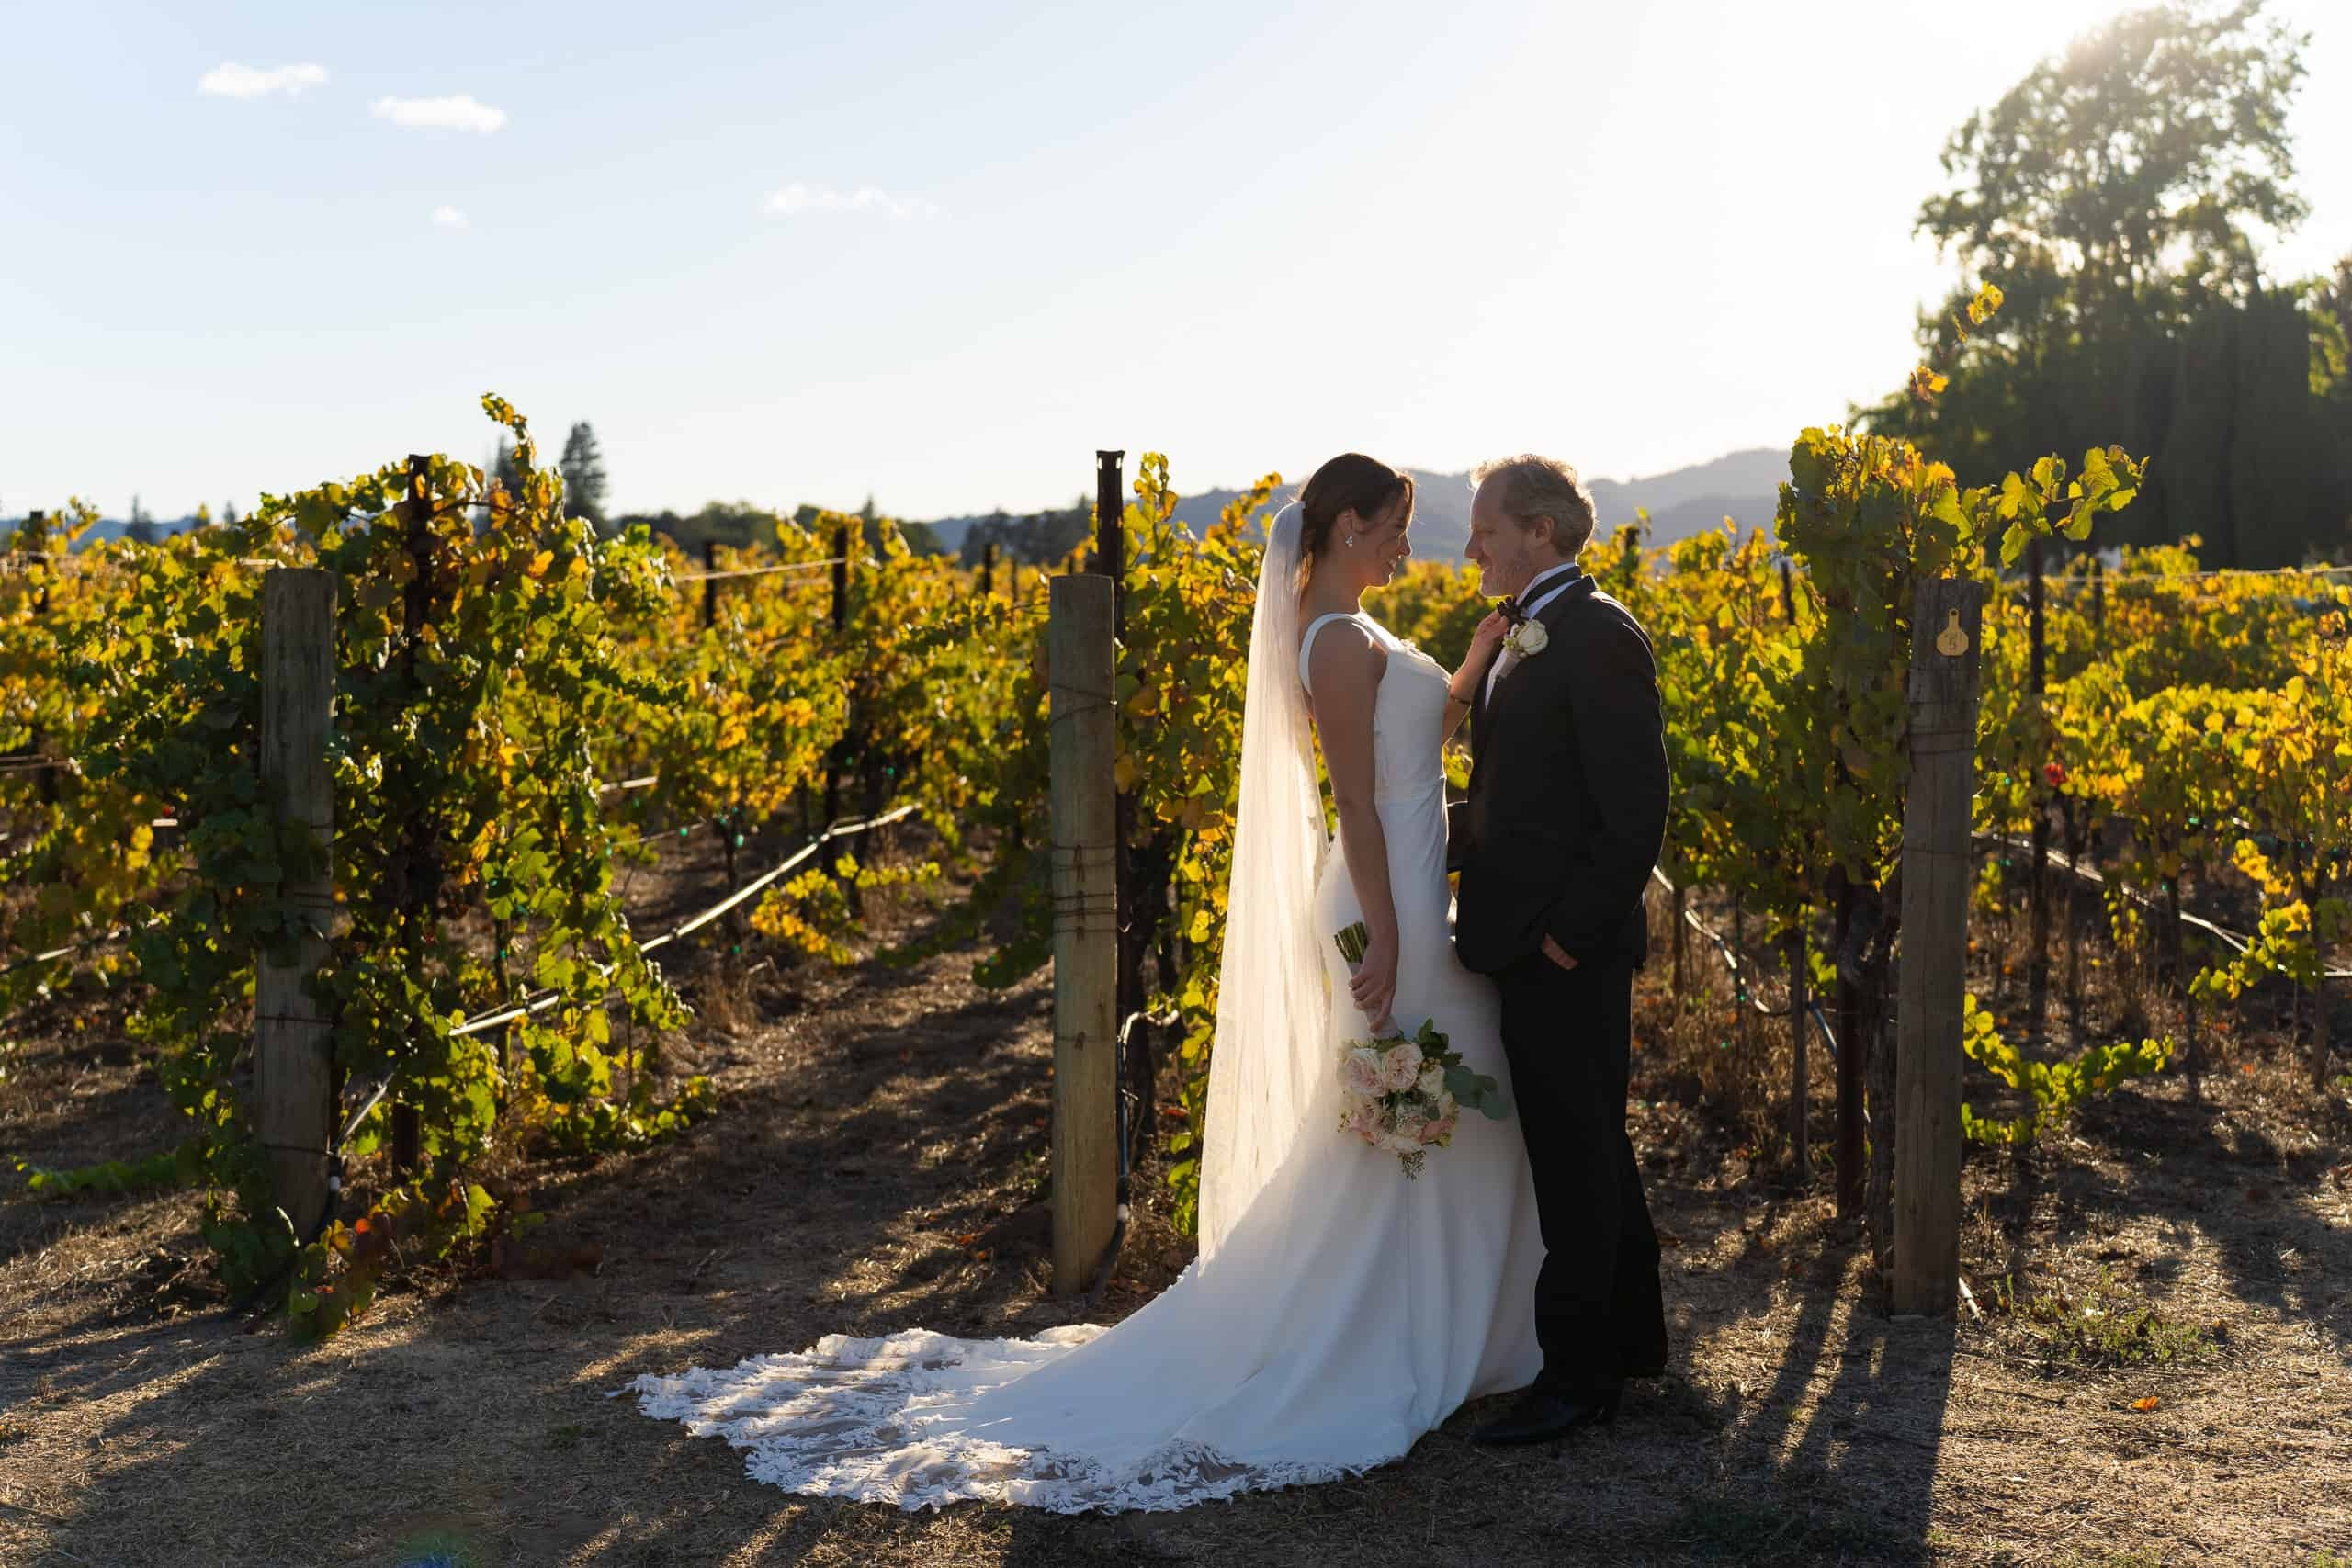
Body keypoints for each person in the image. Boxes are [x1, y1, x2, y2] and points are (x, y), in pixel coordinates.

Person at [625, 452, 1554, 1510]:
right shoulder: (1337, 642)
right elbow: (1355, 805)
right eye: (1394, 522)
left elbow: (1410, 759)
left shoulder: (1357, 635)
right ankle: (1383, 1333)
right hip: (1379, 902)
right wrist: (1387, 935)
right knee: (1411, 1100)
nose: (1405, 540)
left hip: (1407, 889)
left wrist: (1470, 668)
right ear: (1345, 527)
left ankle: (1437, 1327)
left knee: (1420, 1101)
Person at [1452, 453, 1671, 1445]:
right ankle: (1627, 1343)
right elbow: (1522, 796)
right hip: (1521, 940)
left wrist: (1566, 942)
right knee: (1587, 1148)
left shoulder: (1597, 634)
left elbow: (1635, 814)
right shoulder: (1526, 634)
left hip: (1560, 953)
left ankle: (1576, 1378)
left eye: (1485, 529)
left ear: (1539, 531)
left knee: (1574, 1158)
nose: (1470, 548)